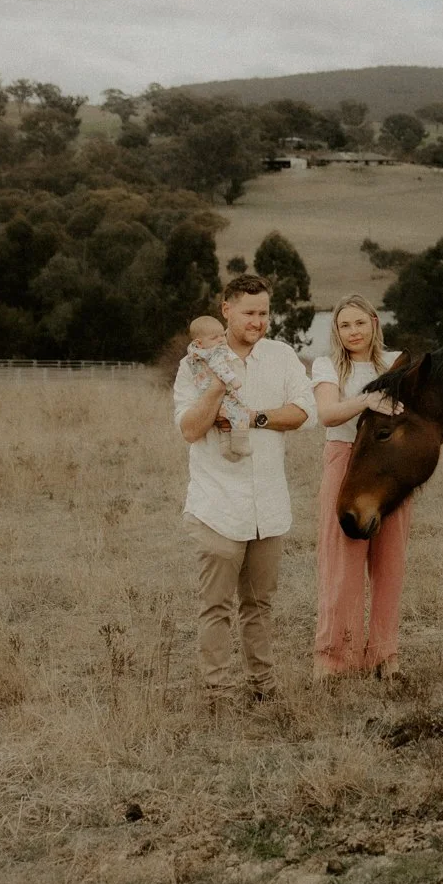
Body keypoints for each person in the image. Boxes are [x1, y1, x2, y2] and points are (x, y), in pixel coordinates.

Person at [172, 275, 316, 706]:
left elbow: (306, 413)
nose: (258, 321)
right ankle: (216, 690)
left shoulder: (282, 356)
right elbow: (190, 430)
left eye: (264, 313)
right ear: (226, 309)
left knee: (259, 604)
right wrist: (218, 383)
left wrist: (253, 417)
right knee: (215, 605)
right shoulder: (193, 364)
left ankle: (263, 687)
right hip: (217, 504)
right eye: (249, 313)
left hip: (268, 506)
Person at [309, 295, 408, 678]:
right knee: (342, 562)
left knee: (390, 562)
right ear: (336, 330)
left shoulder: (397, 362)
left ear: (374, 322)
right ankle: (333, 658)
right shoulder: (328, 365)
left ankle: (385, 655)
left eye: (359, 323)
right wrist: (370, 400)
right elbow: (327, 413)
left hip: (389, 467)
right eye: (344, 325)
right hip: (345, 461)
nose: (353, 332)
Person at [184, 314, 252, 460]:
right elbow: (219, 368)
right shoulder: (216, 352)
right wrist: (233, 380)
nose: (221, 340)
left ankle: (225, 446)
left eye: (222, 335)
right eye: (215, 337)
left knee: (222, 422)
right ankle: (241, 443)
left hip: (205, 394)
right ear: (199, 342)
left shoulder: (193, 353)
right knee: (240, 411)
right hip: (224, 392)